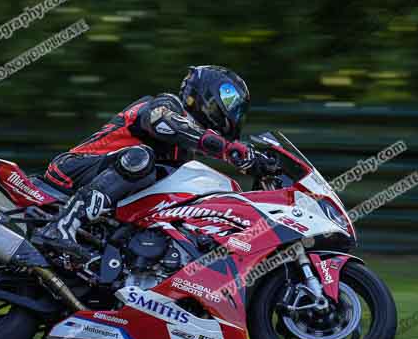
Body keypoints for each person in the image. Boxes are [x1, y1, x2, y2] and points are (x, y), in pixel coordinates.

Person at [36, 65, 271, 258]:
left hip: (111, 201)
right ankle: (62, 225)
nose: (234, 115)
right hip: (74, 169)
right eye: (232, 105)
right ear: (208, 94)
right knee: (142, 157)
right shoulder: (166, 105)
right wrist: (228, 149)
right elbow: (166, 124)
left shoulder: (184, 154)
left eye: (239, 111)